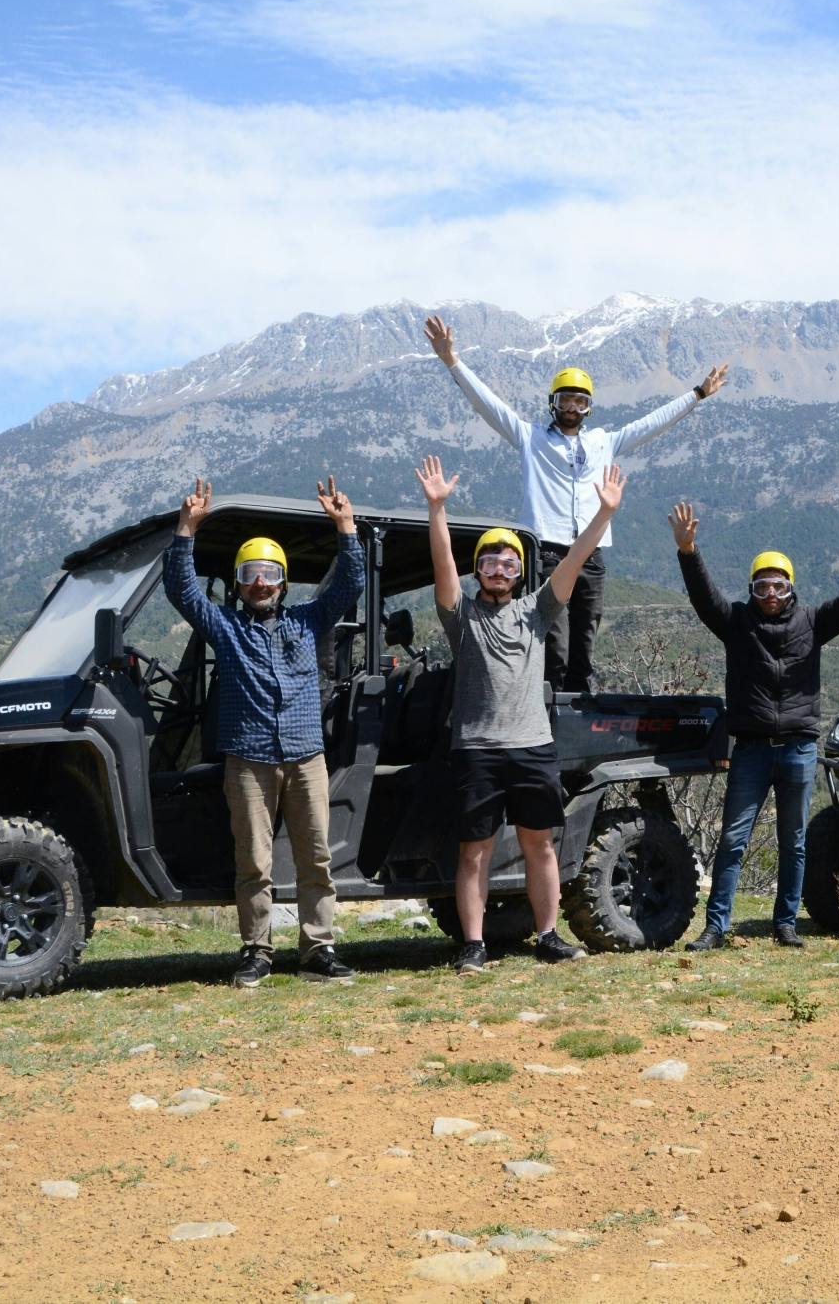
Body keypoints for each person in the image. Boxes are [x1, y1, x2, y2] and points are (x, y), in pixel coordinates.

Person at [423, 313, 729, 692]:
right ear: (553, 403)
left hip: (592, 553)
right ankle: (548, 708)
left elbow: (651, 424)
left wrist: (695, 395)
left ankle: (580, 710)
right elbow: (489, 405)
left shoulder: (604, 441)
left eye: (580, 401)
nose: (573, 407)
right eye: (566, 399)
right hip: (547, 552)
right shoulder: (530, 438)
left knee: (585, 639)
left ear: (589, 407)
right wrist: (452, 361)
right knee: (554, 641)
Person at [417, 452, 624, 974]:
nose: (499, 571)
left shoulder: (536, 611)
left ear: (519, 572)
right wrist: (437, 510)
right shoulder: (461, 618)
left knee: (541, 848)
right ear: (478, 571)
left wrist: (602, 517)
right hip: (478, 751)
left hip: (533, 747)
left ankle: (549, 935)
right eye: (489, 563)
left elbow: (574, 564)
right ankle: (472, 944)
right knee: (474, 853)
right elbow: (442, 568)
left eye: (509, 564)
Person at [166, 476, 367, 988]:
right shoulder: (225, 628)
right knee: (253, 861)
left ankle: (318, 948)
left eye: (270, 574)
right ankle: (257, 950)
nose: (261, 582)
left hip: (306, 758)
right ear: (239, 582)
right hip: (249, 761)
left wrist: (345, 527)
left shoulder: (307, 621)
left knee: (316, 857)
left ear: (284, 581)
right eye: (251, 574)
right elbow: (182, 591)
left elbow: (349, 586)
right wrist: (187, 528)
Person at [671, 502, 839, 950]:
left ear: (791, 587)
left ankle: (786, 925)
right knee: (733, 840)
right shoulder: (736, 623)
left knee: (793, 842)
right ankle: (716, 928)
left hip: (797, 748)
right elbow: (703, 597)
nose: (770, 592)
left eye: (778, 584)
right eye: (761, 585)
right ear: (752, 589)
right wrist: (688, 551)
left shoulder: (812, 622)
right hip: (752, 749)